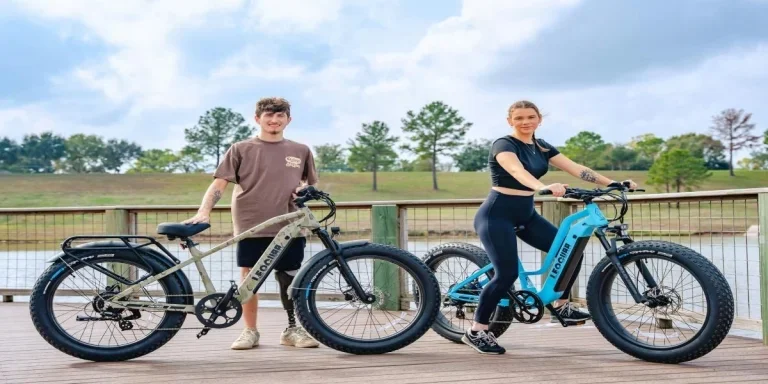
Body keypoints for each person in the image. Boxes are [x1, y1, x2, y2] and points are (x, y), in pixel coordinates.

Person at [462, 100, 637, 355]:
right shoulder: (504, 145)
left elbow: (578, 169)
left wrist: (614, 182)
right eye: (519, 118)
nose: (525, 122)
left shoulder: (542, 147)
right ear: (510, 121)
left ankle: (561, 304)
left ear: (539, 119)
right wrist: (540, 187)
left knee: (571, 251)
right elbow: (516, 170)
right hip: (496, 216)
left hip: (526, 215)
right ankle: (477, 330)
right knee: (507, 275)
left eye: (530, 117)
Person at [183, 97, 320, 350]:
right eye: (269, 115)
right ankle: (250, 331)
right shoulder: (241, 148)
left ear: (288, 120)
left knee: (290, 278)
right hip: (251, 223)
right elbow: (219, 184)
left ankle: (291, 330)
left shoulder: (300, 150)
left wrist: (303, 190)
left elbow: (309, 184)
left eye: (280, 116)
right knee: (249, 279)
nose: (274, 120)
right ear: (258, 118)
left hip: (290, 224)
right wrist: (204, 211)